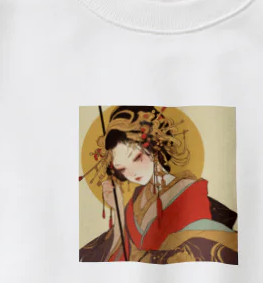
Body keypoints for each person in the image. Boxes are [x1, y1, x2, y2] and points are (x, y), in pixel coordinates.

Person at [79, 106, 238, 263]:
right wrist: (119, 208)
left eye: (137, 158)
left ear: (154, 146)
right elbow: (123, 252)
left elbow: (198, 249)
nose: (132, 172)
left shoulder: (189, 191)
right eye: (122, 169)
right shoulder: (136, 200)